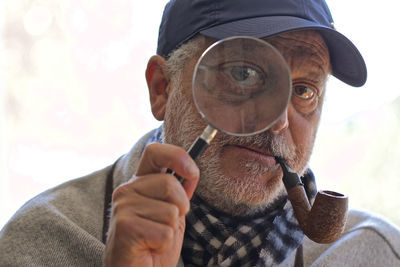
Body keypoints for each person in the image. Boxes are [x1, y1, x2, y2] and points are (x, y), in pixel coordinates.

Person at [1, 0, 400, 266]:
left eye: (303, 91)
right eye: (244, 73)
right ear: (162, 88)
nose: (278, 122)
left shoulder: (373, 253)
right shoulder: (44, 240)